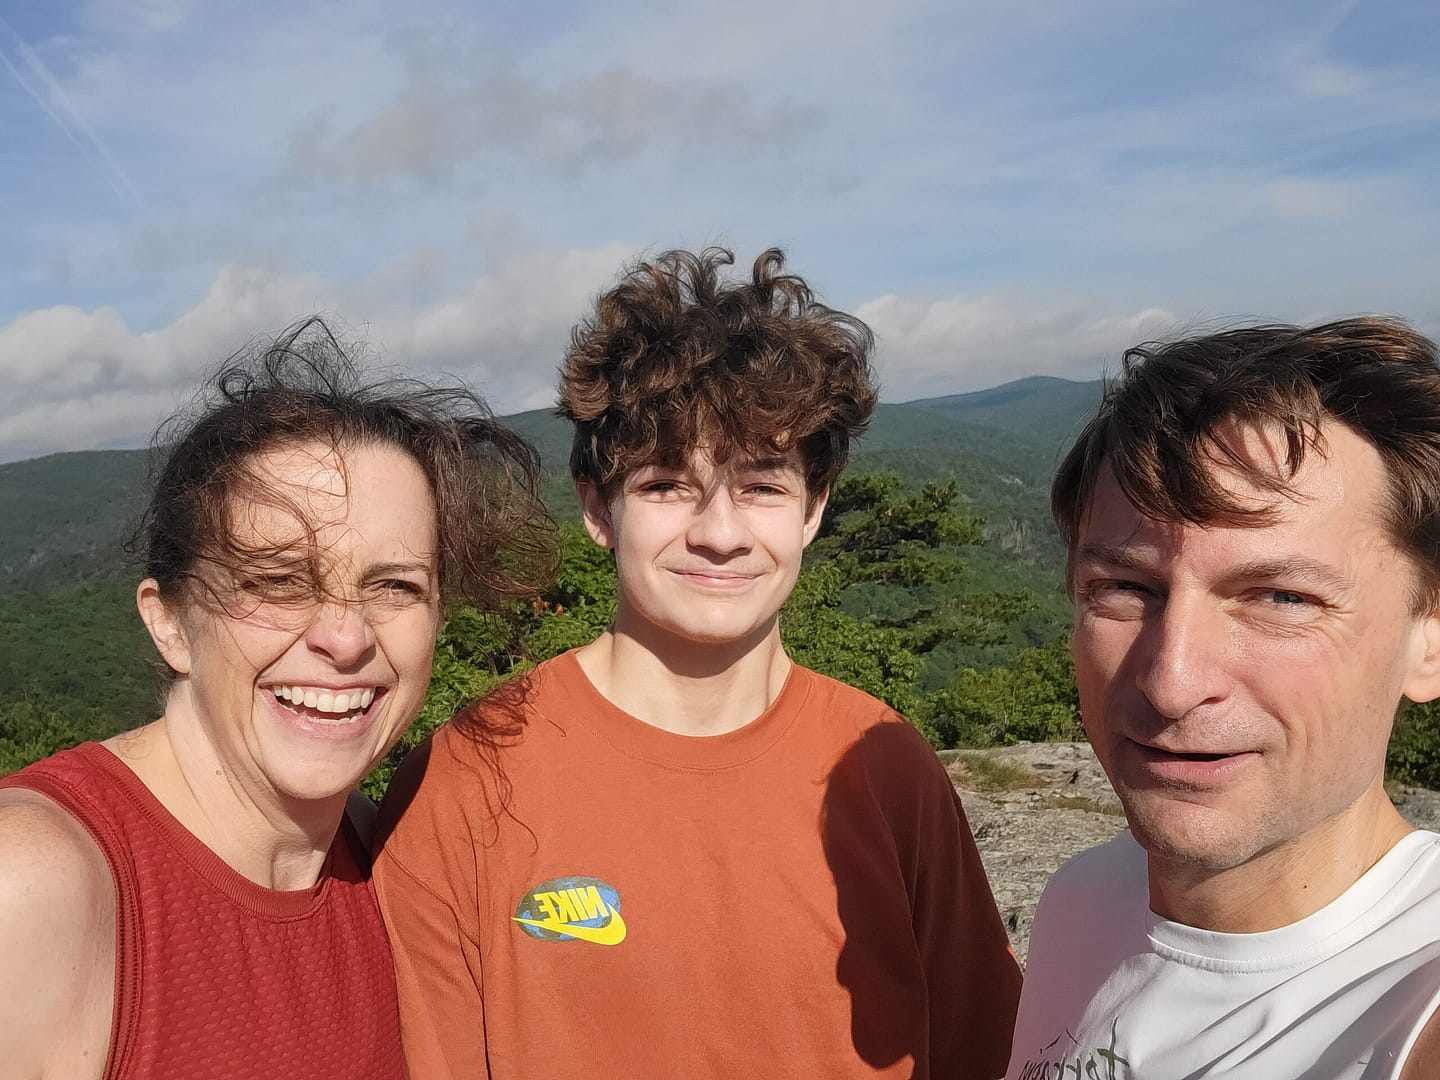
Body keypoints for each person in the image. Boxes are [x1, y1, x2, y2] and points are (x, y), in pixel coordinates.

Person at [374, 247, 1022, 1079]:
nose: (720, 531)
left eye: (762, 486)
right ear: (596, 508)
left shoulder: (886, 766)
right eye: (667, 485)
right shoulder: (468, 781)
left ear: (814, 508)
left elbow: (986, 1052)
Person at [0, 318, 551, 1079]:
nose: (345, 636)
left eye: (394, 586)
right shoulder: (38, 881)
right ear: (170, 624)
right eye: (279, 582)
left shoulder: (396, 861)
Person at [1005, 318, 1440, 1080]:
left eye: (1281, 596)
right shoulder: (1085, 900)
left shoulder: (1411, 1008)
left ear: (1428, 642)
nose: (1172, 681)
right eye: (1125, 589)